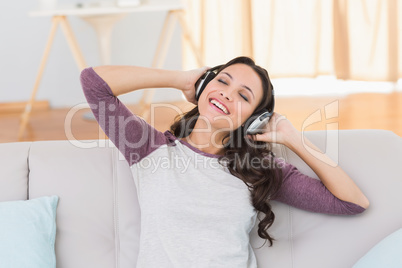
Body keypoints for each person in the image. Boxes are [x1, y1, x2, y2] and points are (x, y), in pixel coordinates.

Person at [80, 56, 369, 267]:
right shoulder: (149, 149)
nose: (226, 94)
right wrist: (179, 79)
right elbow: (93, 83)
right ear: (204, 85)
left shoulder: (257, 171)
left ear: (253, 120)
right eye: (221, 81)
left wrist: (294, 139)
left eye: (243, 96)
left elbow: (352, 202)